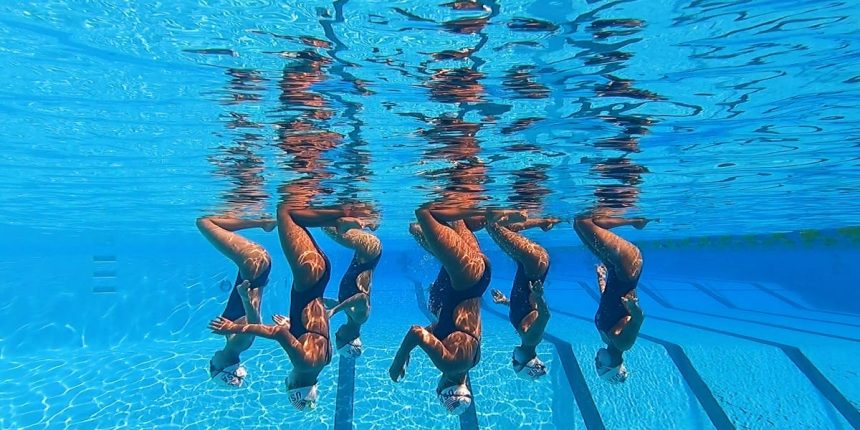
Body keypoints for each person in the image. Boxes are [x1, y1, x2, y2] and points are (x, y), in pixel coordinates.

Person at [208, 205, 366, 410]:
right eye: (286, 384)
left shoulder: (324, 360)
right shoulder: (302, 364)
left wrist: (294, 326)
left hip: (317, 278)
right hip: (307, 277)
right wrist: (234, 328)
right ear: (294, 385)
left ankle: (338, 223)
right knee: (286, 212)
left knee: (293, 217)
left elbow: (319, 325)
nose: (286, 379)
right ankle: (340, 219)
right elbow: (278, 333)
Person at [389, 207, 522, 415]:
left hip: (480, 277)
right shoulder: (448, 365)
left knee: (457, 218)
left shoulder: (472, 361)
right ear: (443, 389)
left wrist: (420, 343)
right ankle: (492, 217)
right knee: (425, 213)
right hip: (465, 277)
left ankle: (485, 215)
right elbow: (416, 332)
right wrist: (398, 361)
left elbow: (445, 327)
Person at [196, 216, 275, 387]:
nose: (210, 362)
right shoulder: (238, 345)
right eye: (212, 367)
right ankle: (262, 222)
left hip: (255, 268)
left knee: (214, 226)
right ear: (223, 367)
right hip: (253, 265)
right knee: (204, 223)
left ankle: (261, 222)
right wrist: (246, 298)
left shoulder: (231, 339)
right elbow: (256, 325)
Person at [573, 214, 648, 384]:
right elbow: (639, 318)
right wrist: (632, 306)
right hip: (628, 268)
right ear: (612, 365)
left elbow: (608, 302)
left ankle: (633, 221)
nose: (596, 361)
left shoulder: (606, 338)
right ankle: (634, 221)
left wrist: (601, 280)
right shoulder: (624, 343)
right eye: (600, 365)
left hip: (614, 269)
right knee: (583, 222)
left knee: (578, 226)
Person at [487, 216, 557, 381]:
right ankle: (541, 220)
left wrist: (505, 302)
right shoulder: (532, 338)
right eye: (515, 362)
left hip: (531, 264)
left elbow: (528, 309)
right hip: (533, 265)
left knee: (506, 226)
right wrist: (539, 296)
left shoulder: (526, 336)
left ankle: (542, 222)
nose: (513, 358)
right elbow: (545, 315)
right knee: (492, 224)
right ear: (526, 362)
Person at [322, 213, 382, 359]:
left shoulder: (351, 314)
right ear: (350, 338)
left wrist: (318, 300)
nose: (336, 333)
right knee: (326, 226)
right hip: (369, 250)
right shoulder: (361, 317)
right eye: (339, 338)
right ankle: (364, 222)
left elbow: (339, 303)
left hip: (365, 251)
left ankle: (366, 223)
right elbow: (361, 297)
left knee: (330, 224)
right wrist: (334, 311)